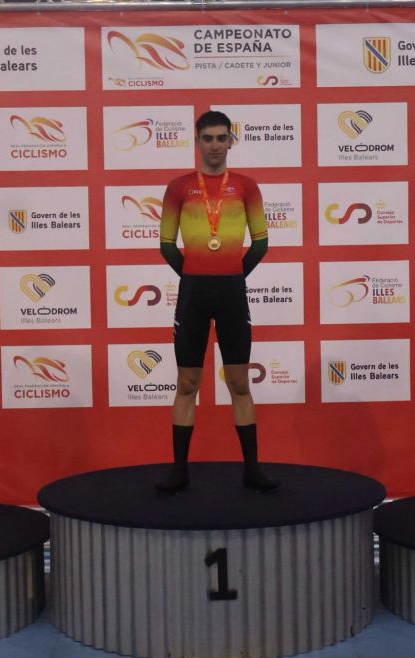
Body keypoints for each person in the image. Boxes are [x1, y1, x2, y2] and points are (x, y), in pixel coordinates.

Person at [155, 110, 277, 493]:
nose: (214, 146)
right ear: (197, 142)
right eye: (207, 138)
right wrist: (194, 274)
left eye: (221, 138)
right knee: (186, 382)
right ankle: (179, 471)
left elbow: (261, 243)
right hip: (193, 293)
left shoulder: (246, 186)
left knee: (239, 382)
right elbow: (166, 245)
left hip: (231, 294)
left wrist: (233, 275)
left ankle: (252, 470)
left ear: (230, 142)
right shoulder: (178, 187)